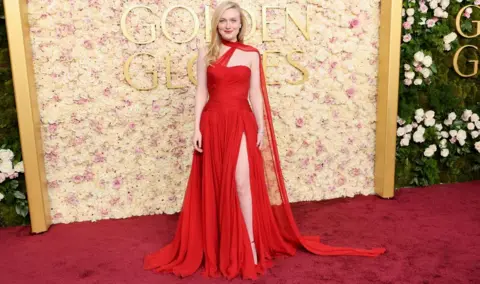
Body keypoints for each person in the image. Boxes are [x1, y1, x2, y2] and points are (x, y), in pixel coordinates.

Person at [144, 1, 385, 280]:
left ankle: (250, 244)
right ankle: (219, 244)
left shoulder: (251, 54)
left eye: (233, 20)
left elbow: (256, 93)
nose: (228, 25)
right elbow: (200, 92)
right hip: (212, 122)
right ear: (216, 24)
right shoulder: (205, 53)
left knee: (241, 183)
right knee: (215, 183)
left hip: (241, 122)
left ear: (241, 24)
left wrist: (260, 127)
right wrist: (196, 128)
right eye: (223, 21)